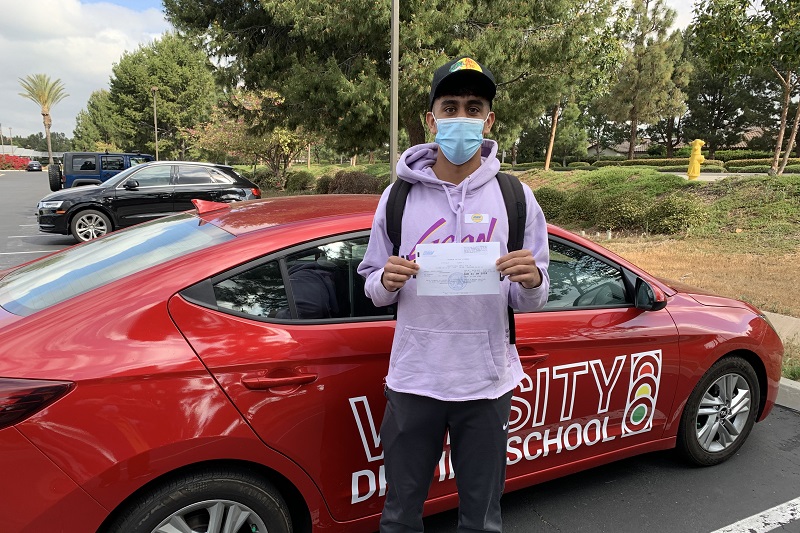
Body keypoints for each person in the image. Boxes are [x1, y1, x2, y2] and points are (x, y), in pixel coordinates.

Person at [357, 57, 551, 533]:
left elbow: (532, 300)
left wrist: (531, 280)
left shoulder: (517, 198)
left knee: (482, 519)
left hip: (485, 383)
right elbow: (371, 287)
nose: (460, 116)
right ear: (431, 119)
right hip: (414, 379)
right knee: (400, 516)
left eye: (473, 107)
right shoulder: (397, 197)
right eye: (450, 106)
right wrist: (386, 280)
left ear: (489, 120)